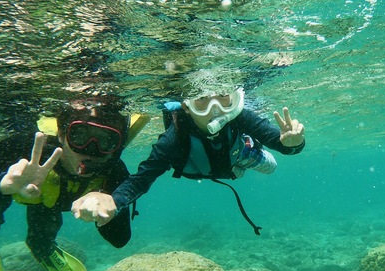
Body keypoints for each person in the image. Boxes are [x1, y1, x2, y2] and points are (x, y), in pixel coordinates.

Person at [0, 98, 149, 271]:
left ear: (117, 147)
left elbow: (120, 239)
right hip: (11, 192)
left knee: (41, 239)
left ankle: (43, 247)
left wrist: (107, 201)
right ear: (61, 134)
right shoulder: (26, 148)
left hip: (50, 203)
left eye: (107, 140)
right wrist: (2, 183)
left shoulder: (113, 171)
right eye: (80, 135)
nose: (92, 149)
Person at [70, 86, 305, 235]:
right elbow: (142, 178)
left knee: (271, 166)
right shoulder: (174, 138)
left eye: (224, 97)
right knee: (235, 170)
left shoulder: (240, 117)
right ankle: (236, 168)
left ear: (235, 99)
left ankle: (245, 158)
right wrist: (115, 200)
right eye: (202, 100)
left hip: (236, 155)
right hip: (203, 168)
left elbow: (280, 141)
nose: (216, 110)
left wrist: (293, 145)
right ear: (187, 106)